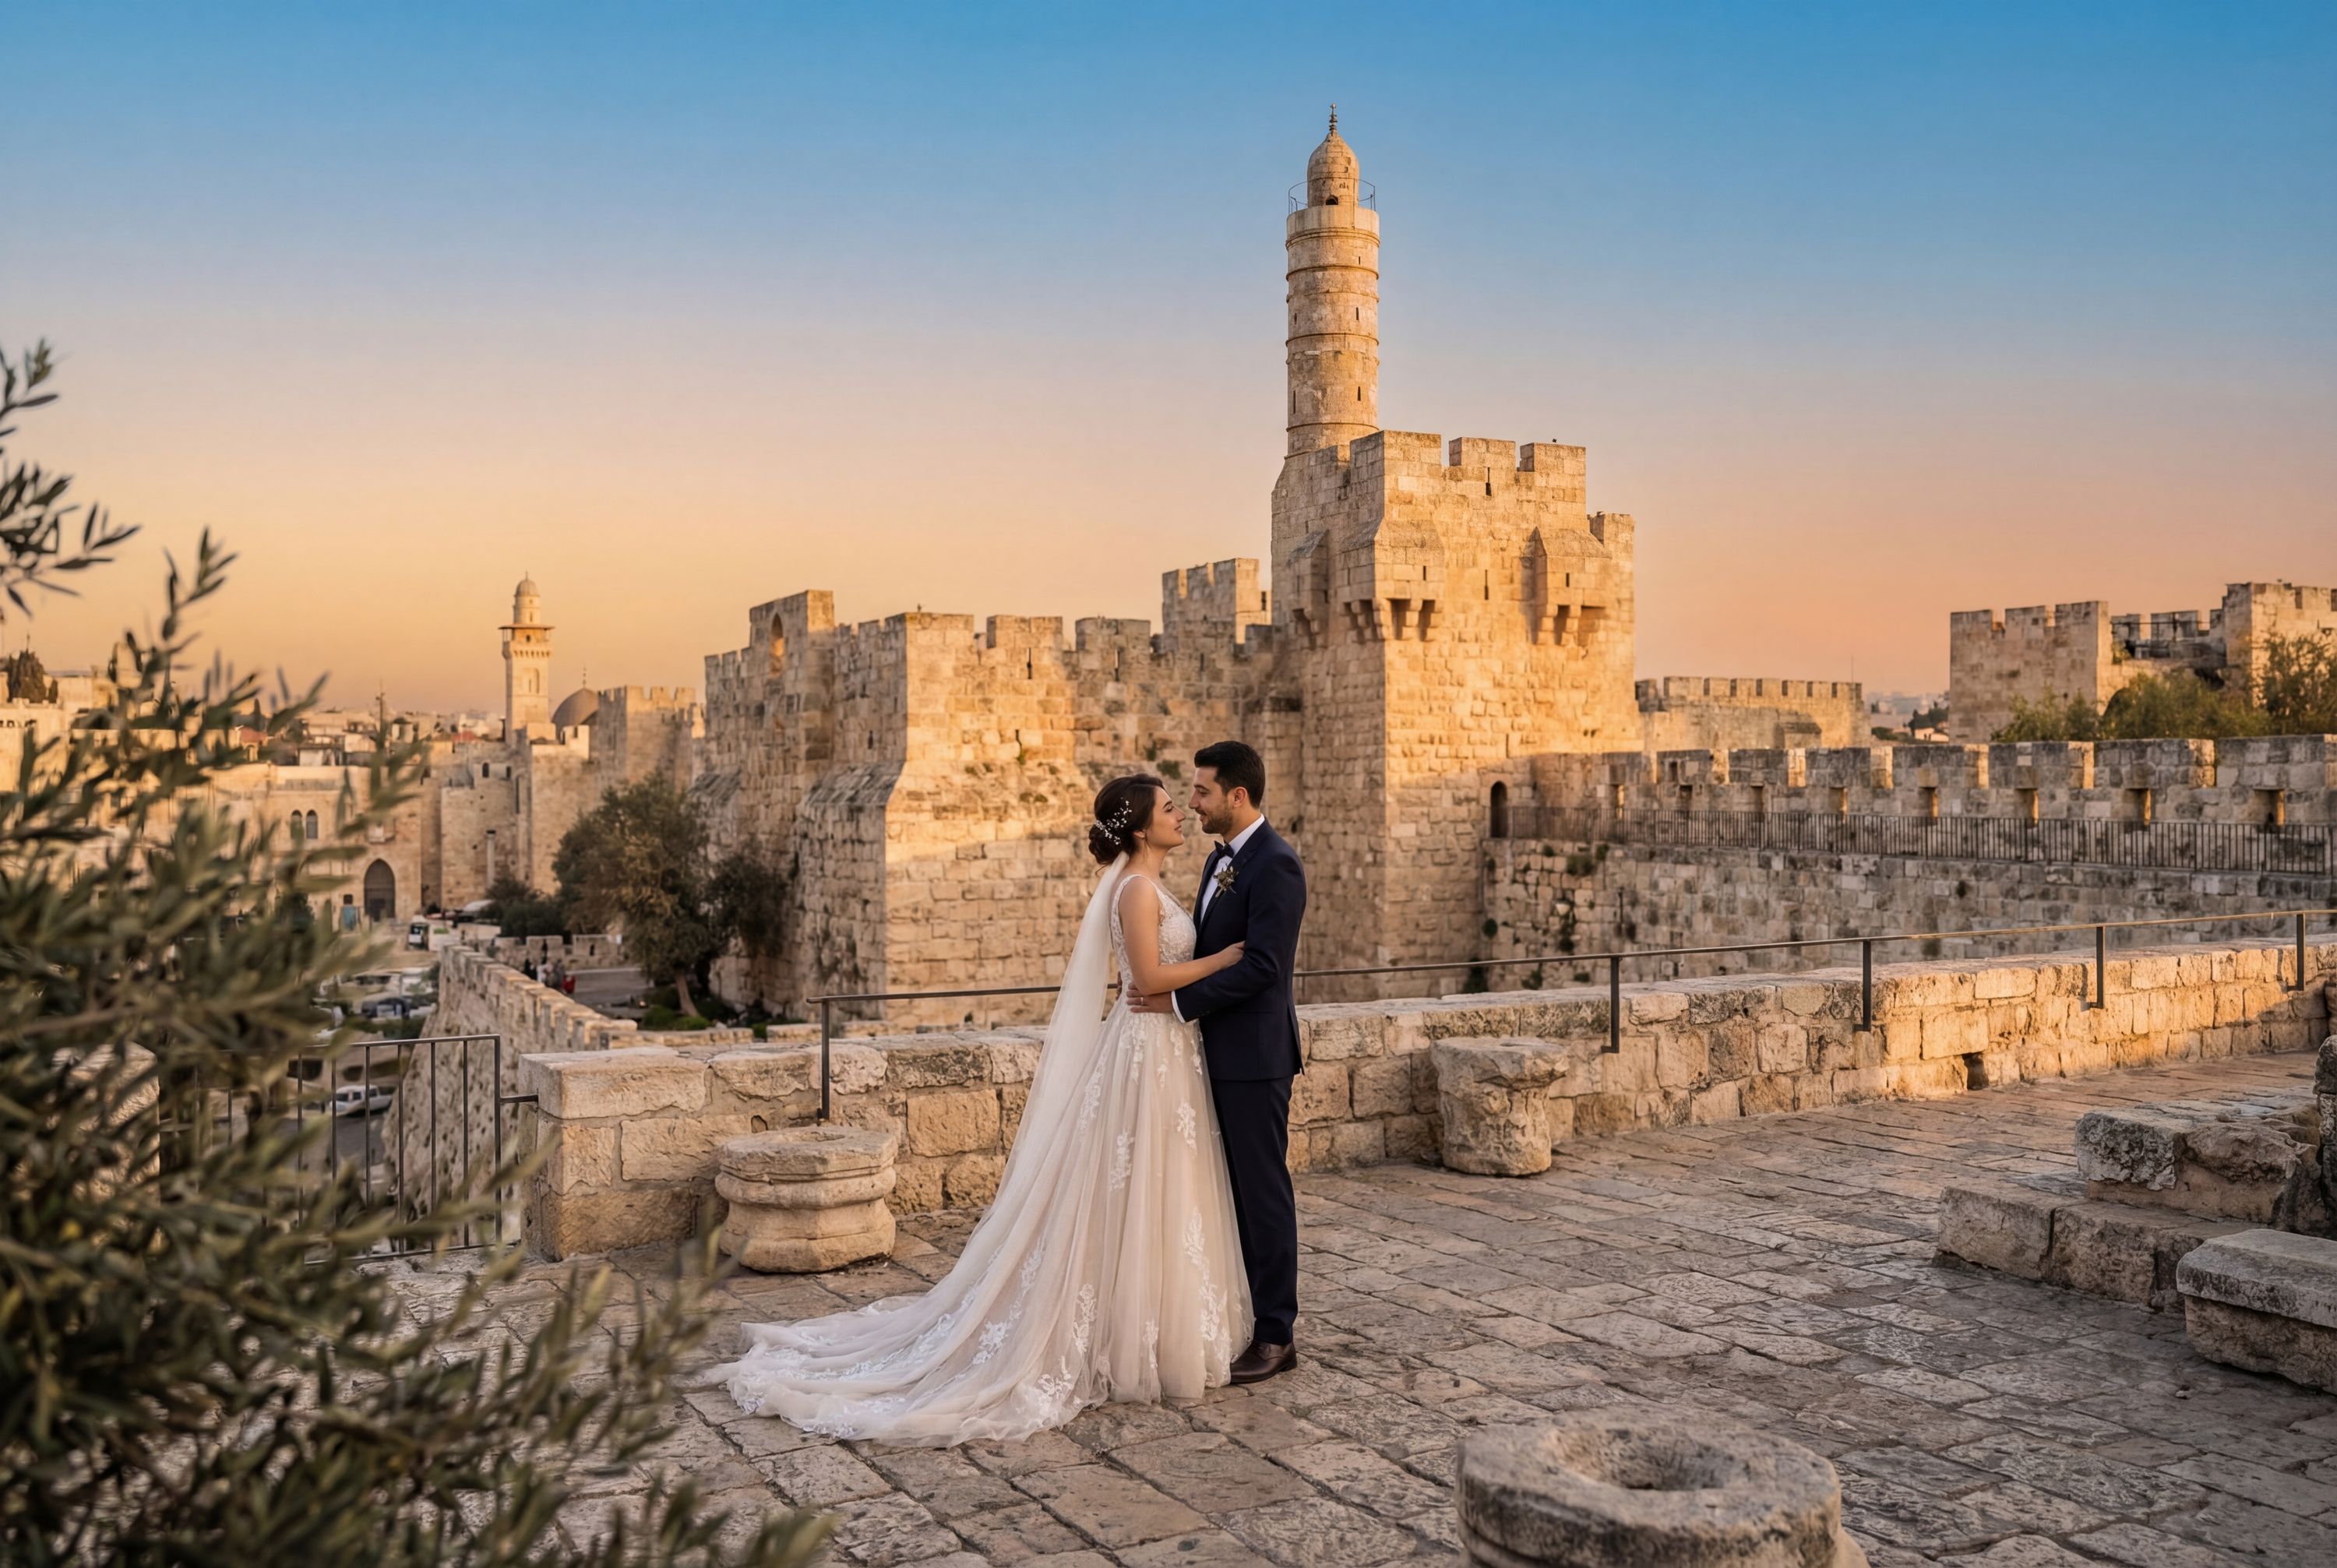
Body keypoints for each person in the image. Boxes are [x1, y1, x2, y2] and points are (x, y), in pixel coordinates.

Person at [713, 775, 1253, 1443]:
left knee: (1154, 1188)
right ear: (1142, 828)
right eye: (1170, 807)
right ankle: (1127, 1333)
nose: (1180, 813)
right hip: (1146, 1049)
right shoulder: (1137, 889)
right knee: (1132, 1187)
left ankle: (1148, 1322)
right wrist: (1225, 959)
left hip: (1166, 1051)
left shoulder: (1152, 885)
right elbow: (1146, 980)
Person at [1132, 740, 1306, 1384]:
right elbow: (1211, 948)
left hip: (1256, 1058)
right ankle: (1241, 1316)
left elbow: (1264, 967)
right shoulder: (1218, 862)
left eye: (1202, 791)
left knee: (1263, 1193)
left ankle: (1276, 1334)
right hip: (1212, 1053)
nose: (1194, 801)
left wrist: (1176, 1002)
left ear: (1237, 795)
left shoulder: (1277, 865)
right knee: (1228, 1193)